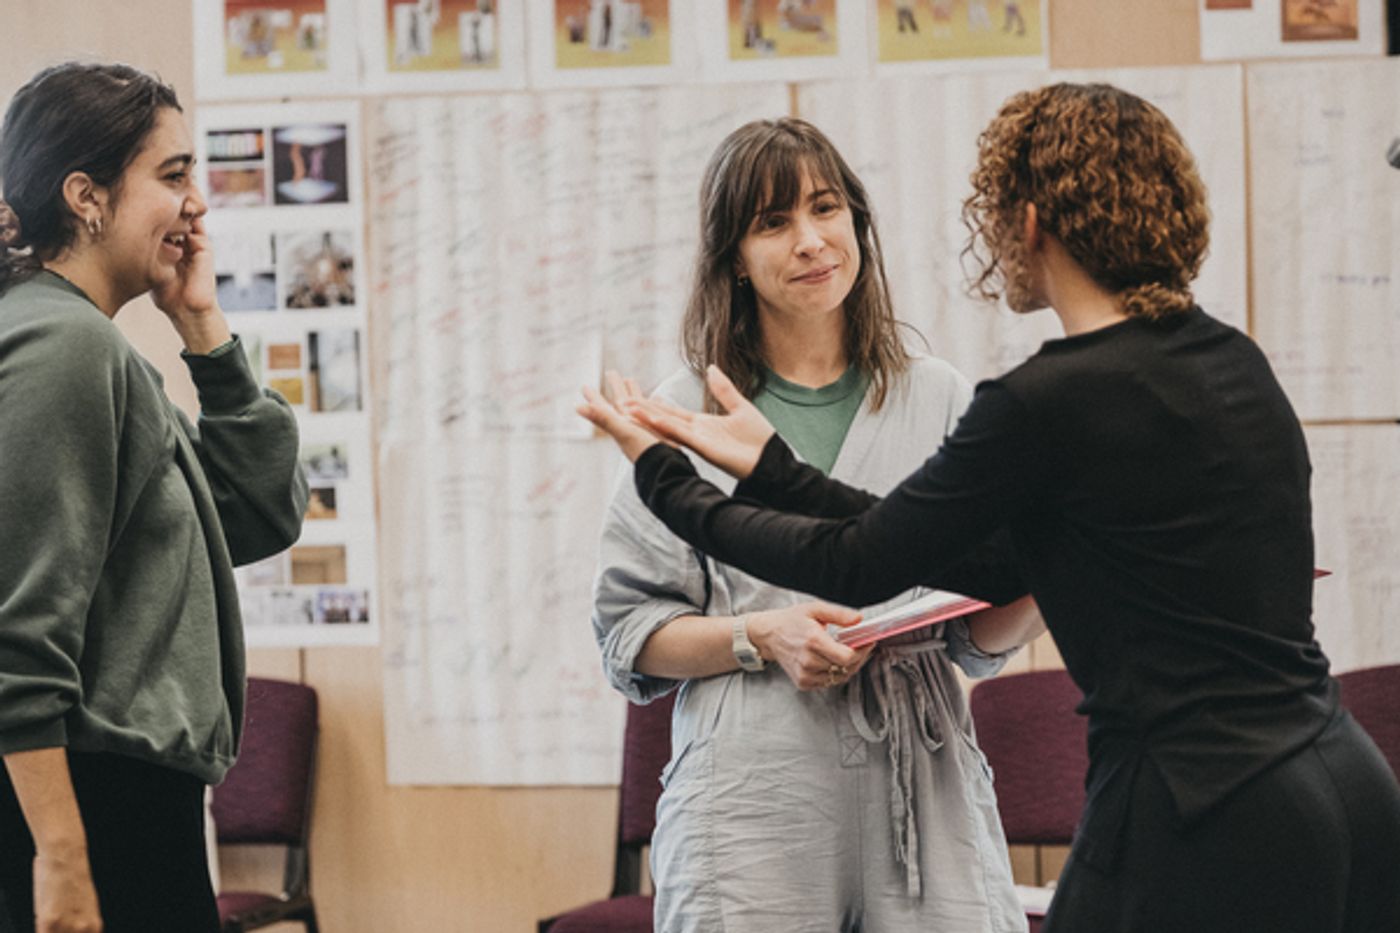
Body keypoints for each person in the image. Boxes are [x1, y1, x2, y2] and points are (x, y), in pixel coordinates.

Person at [581, 83, 1400, 933]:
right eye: (773, 222)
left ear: (1032, 223)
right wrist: (774, 475)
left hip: (1195, 798)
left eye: (825, 208)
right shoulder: (1232, 361)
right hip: (1343, 779)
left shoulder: (1042, 401)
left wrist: (661, 471)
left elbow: (858, 559)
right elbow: (964, 558)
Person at [588, 117, 1042, 933]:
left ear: (857, 222)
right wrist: (761, 635)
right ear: (734, 256)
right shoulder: (683, 409)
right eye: (773, 222)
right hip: (753, 792)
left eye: (826, 208)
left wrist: (1053, 570)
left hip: (923, 781)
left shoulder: (938, 395)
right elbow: (630, 633)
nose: (810, 241)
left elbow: (977, 637)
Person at [0, 62, 307, 933]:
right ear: (86, 197)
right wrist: (63, 860)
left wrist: (200, 323)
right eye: (172, 176)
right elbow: (16, 635)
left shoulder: (84, 343)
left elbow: (254, 513)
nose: (195, 204)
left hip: (123, 808)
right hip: (91, 811)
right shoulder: (63, 346)